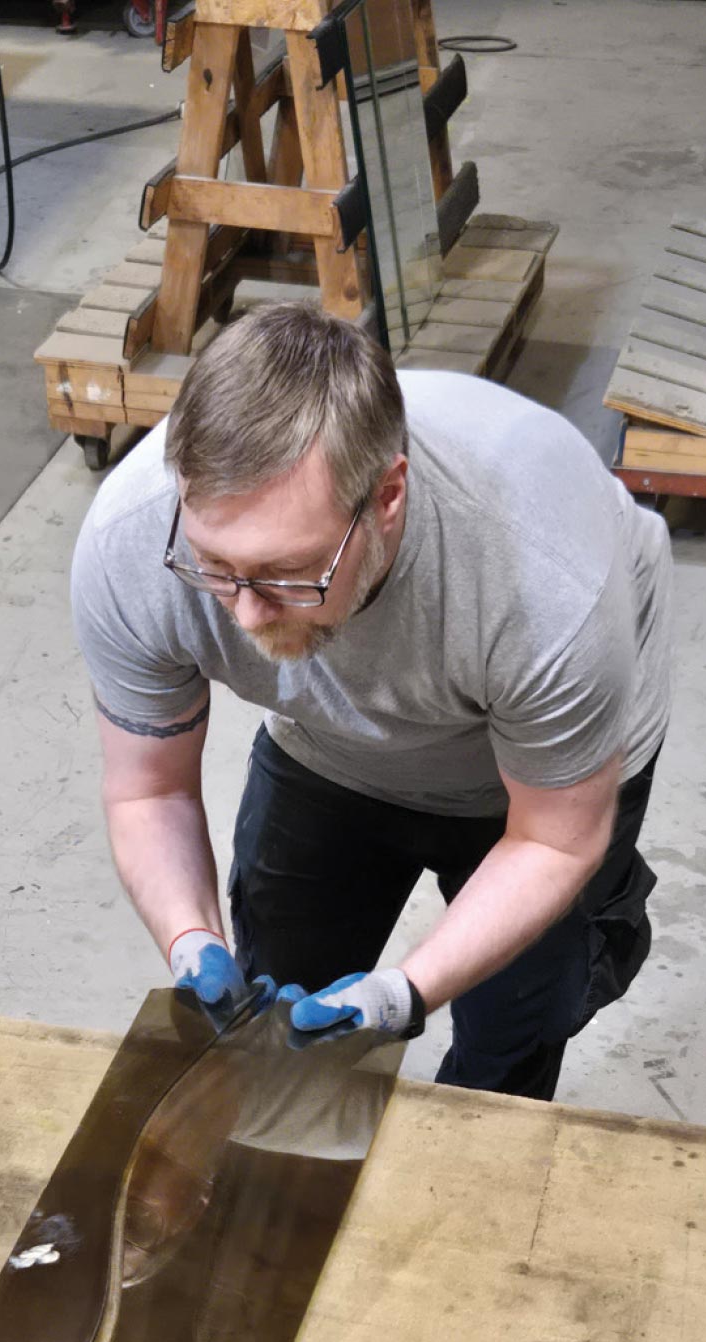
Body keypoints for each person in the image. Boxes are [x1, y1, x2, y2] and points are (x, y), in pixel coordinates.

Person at [70, 301, 672, 1101]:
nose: (245, 614)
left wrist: (404, 992)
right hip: (331, 742)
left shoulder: (545, 582)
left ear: (388, 495)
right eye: (217, 566)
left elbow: (553, 843)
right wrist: (188, 938)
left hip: (534, 770)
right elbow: (149, 788)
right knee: (272, 1009)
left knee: (515, 1027)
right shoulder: (132, 544)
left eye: (288, 573)